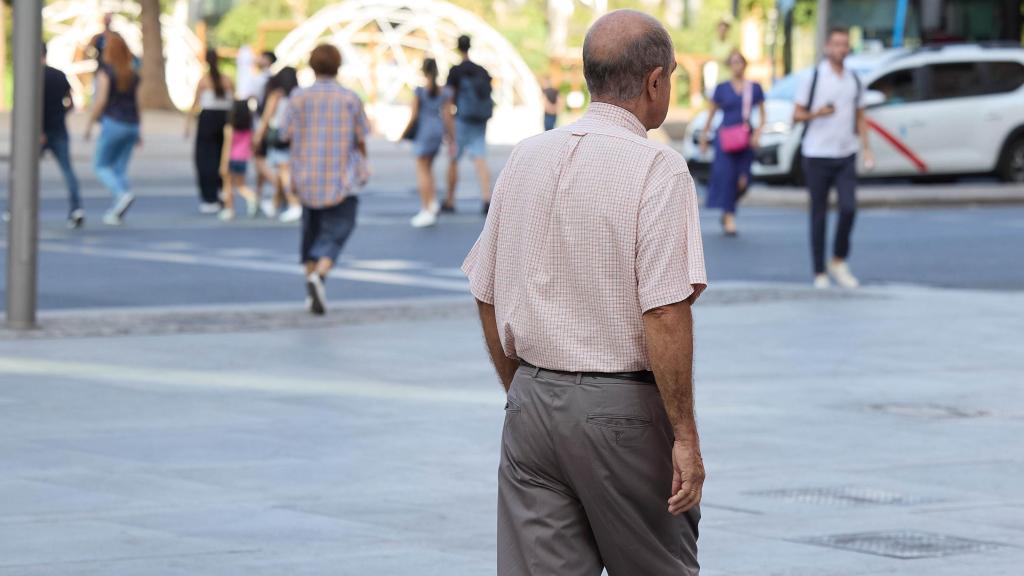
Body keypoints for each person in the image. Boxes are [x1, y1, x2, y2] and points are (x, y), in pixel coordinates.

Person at [462, 10, 706, 575]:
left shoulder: (527, 156)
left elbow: (485, 287)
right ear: (654, 81)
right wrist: (685, 436)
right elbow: (666, 311)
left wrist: (518, 385)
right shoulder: (658, 169)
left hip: (532, 404)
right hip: (619, 411)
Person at [279, 44, 369, 315]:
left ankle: (311, 284)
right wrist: (364, 163)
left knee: (310, 233)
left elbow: (284, 133)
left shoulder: (298, 97)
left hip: (307, 175)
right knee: (339, 228)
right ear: (338, 66)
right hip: (341, 177)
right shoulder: (350, 98)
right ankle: (321, 272)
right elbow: (362, 135)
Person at [794, 26, 874, 289]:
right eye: (836, 44)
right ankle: (819, 272)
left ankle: (839, 260)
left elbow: (860, 116)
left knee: (849, 208)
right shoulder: (814, 77)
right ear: (827, 47)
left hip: (845, 153)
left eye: (844, 44)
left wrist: (867, 148)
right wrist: (817, 113)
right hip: (817, 154)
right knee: (819, 214)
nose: (841, 49)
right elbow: (796, 115)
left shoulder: (854, 79)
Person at [700, 49, 765, 236]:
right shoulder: (721, 89)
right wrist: (705, 137)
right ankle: (729, 217)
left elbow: (762, 113)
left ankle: (728, 208)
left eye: (740, 62)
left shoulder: (754, 88)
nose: (737, 66)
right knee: (727, 177)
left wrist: (758, 133)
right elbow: (710, 114)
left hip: (745, 138)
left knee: (744, 181)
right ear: (729, 66)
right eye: (734, 62)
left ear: (745, 65)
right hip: (725, 138)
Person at [84, 33, 141, 226]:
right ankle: (119, 206)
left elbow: (101, 100)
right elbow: (137, 103)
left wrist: (90, 123)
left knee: (101, 165)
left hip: (114, 121)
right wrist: (139, 129)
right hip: (131, 123)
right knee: (120, 168)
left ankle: (122, 195)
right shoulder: (132, 73)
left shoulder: (106, 72)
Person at [442, 34, 493, 215]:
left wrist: (449, 128)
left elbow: (448, 101)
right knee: (480, 159)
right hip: (479, 120)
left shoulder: (455, 71)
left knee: (454, 159)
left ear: (458, 47)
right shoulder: (481, 71)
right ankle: (487, 198)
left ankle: (450, 199)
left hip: (462, 120)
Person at [186, 49, 234, 214]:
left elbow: (195, 103)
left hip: (208, 120)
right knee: (223, 156)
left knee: (205, 158)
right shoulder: (227, 80)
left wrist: (187, 124)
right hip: (224, 120)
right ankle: (222, 191)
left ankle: (210, 197)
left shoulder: (204, 81)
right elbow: (233, 101)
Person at [41, 42, 83, 229]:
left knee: (24, 172)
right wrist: (61, 114)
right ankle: (76, 208)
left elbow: (33, 107)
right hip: (59, 128)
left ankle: (16, 207)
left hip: (39, 132)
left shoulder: (33, 76)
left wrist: (40, 130)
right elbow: (71, 102)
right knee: (67, 171)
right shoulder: (59, 75)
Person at [254, 66, 303, 222]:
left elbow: (266, 118)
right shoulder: (298, 96)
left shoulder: (277, 95)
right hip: (295, 136)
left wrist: (258, 136)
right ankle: (276, 203)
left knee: (283, 171)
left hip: (278, 135)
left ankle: (294, 203)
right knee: (285, 171)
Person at [405, 58, 449, 228]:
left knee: (421, 170)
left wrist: (403, 134)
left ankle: (426, 209)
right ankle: (433, 202)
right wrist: (451, 137)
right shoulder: (443, 92)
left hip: (424, 131)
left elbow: (414, 115)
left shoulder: (420, 91)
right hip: (437, 130)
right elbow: (447, 116)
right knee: (429, 168)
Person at [218, 100, 258, 221]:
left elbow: (227, 147)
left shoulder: (229, 128)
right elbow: (252, 144)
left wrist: (223, 164)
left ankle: (229, 209)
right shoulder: (249, 129)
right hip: (243, 158)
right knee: (241, 185)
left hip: (231, 158)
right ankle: (252, 197)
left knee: (228, 185)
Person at [251, 51, 277, 206]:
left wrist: (259, 132)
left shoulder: (259, 80)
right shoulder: (273, 79)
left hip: (261, 124)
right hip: (267, 124)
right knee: (262, 160)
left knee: (259, 160)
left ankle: (282, 189)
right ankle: (258, 195)